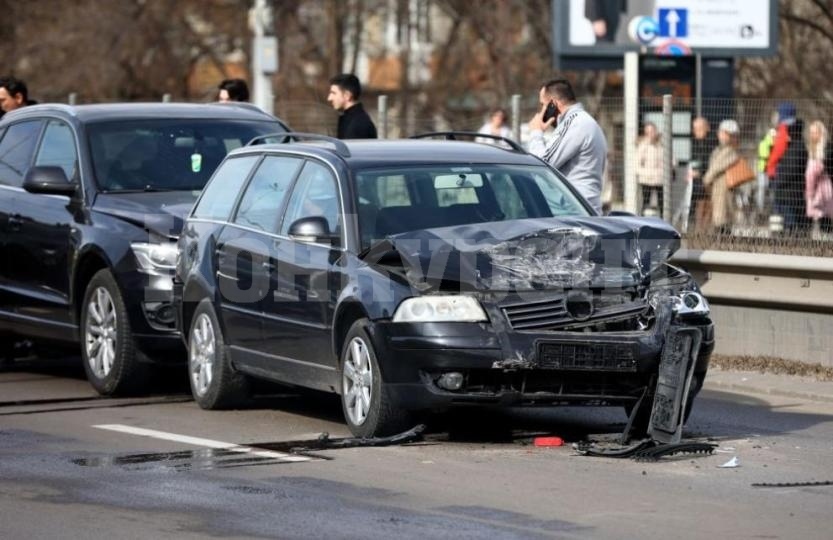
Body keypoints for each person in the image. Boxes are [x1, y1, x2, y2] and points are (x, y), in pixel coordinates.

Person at [527, 78, 607, 213]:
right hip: (580, 207)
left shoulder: (574, 123)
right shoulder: (582, 121)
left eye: (543, 105)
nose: (541, 111)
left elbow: (542, 164)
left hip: (574, 210)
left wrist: (536, 132)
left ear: (553, 104)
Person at [703, 120, 741, 234]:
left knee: (722, 219)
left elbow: (716, 167)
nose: (720, 134)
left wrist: (706, 179)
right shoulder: (721, 149)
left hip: (723, 188)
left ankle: (723, 244)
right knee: (719, 217)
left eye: (723, 132)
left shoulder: (729, 151)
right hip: (718, 188)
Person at [327, 73, 377, 139]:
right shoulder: (351, 119)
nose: (329, 98)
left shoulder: (358, 125)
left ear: (347, 95)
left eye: (334, 93)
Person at [804, 120, 833, 231]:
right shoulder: (811, 150)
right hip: (813, 189)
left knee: (824, 218)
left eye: (815, 132)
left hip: (825, 189)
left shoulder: (827, 149)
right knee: (814, 216)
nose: (812, 136)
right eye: (811, 133)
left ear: (821, 133)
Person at [690, 117, 716, 231]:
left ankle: (703, 233)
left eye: (697, 128)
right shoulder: (697, 142)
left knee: (708, 206)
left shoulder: (711, 143)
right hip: (699, 181)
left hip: (708, 180)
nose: (695, 131)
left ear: (705, 128)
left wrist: (699, 171)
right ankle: (699, 231)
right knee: (700, 205)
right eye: (694, 128)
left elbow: (710, 162)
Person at [635, 121, 664, 215]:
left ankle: (664, 222)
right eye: (648, 132)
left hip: (660, 179)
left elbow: (671, 160)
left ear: (656, 131)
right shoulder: (642, 146)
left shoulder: (662, 145)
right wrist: (647, 173)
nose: (650, 134)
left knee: (662, 203)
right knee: (646, 203)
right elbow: (637, 165)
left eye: (652, 131)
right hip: (646, 179)